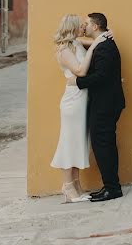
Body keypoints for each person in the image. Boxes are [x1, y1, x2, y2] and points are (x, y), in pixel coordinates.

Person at [69, 12, 126, 202]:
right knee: (104, 145)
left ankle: (112, 188)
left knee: (103, 146)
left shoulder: (104, 48)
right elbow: (81, 43)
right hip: (104, 103)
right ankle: (109, 186)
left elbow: (101, 77)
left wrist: (77, 82)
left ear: (95, 26)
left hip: (105, 105)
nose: (84, 26)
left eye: (86, 23)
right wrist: (107, 33)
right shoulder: (101, 44)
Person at [50, 14, 105, 203]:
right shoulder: (64, 50)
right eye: (80, 24)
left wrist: (100, 39)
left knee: (79, 142)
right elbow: (80, 71)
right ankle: (67, 187)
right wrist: (95, 47)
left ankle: (76, 185)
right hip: (73, 100)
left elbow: (95, 42)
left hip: (83, 99)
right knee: (69, 142)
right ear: (72, 27)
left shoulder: (76, 42)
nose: (83, 26)